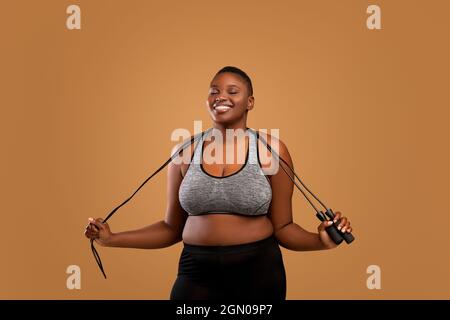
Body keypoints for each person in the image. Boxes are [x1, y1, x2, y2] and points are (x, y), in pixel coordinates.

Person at [84, 66, 353, 300]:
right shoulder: (185, 151)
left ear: (250, 102)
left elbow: (283, 227)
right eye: (214, 91)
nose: (221, 96)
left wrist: (320, 241)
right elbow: (171, 228)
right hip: (195, 272)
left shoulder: (270, 149)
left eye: (232, 91)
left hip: (258, 271)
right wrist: (112, 238)